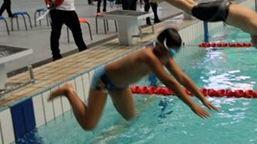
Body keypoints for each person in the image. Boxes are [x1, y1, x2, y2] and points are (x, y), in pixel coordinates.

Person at [48, 28, 220, 131]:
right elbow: (170, 82)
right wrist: (192, 105)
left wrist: (202, 98)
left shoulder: (164, 56)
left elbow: (182, 77)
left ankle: (112, 98)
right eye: (170, 52)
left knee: (130, 117)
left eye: (174, 53)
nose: (171, 56)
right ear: (160, 46)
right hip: (104, 80)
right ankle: (68, 91)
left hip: (120, 87)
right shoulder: (149, 56)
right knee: (88, 125)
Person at [149, 0, 257, 69]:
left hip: (225, 5)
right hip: (221, 12)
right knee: (191, 9)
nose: (250, 41)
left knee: (194, 7)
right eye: (252, 42)